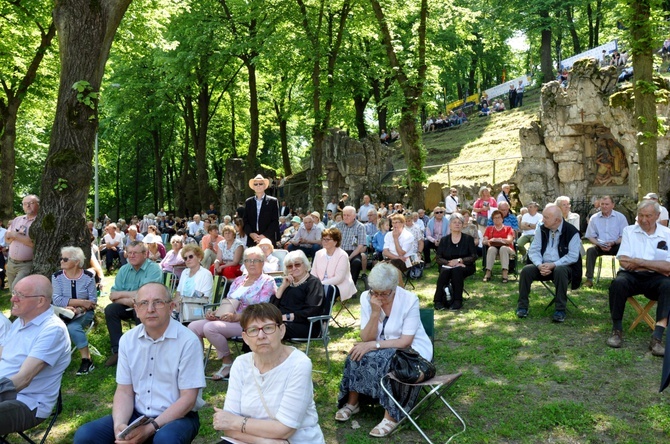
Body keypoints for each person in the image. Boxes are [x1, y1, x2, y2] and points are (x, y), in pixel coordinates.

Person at [74, 283, 205, 444]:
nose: (150, 309)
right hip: (138, 416)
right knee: (85, 435)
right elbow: (124, 391)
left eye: (158, 302)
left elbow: (188, 399)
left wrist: (151, 428)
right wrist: (120, 425)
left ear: (171, 307)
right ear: (136, 309)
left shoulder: (188, 341)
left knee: (166, 439)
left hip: (179, 416)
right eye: (143, 303)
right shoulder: (128, 340)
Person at [335, 263, 432, 437]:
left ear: (394, 288)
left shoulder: (409, 300)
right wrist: (374, 312)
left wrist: (374, 345)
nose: (379, 297)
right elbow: (367, 338)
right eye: (375, 292)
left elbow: (405, 341)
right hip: (381, 347)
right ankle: (352, 403)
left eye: (384, 293)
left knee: (387, 360)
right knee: (356, 353)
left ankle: (391, 416)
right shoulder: (367, 297)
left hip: (412, 352)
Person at [213, 303, 325, 443]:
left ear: (282, 330)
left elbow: (285, 430)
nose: (261, 336)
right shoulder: (241, 363)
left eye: (268, 328)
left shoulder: (299, 364)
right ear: (245, 337)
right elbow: (227, 427)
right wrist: (266, 442)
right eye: (253, 330)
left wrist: (235, 422)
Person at [189, 247, 276, 381]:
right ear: (244, 263)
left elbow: (262, 308)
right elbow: (228, 303)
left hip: (250, 322)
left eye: (256, 260)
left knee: (210, 328)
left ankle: (227, 362)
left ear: (263, 262)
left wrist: (237, 317)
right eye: (248, 260)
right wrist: (215, 313)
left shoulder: (267, 281)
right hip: (227, 319)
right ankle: (197, 362)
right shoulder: (238, 281)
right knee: (193, 327)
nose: (251, 263)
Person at [0, 275, 70, 437]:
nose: (13, 299)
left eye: (21, 295)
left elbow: (23, 379)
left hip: (26, 401)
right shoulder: (20, 321)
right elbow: (5, 353)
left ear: (40, 301)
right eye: (14, 292)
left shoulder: (52, 330)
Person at [606, 200, 670, 356]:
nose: (643, 219)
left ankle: (657, 337)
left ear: (657, 216)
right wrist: (654, 264)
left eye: (648, 216)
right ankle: (616, 330)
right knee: (618, 283)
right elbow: (624, 261)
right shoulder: (629, 231)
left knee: (668, 286)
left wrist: (639, 262)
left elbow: (668, 267)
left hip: (657, 278)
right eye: (640, 215)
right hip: (631, 275)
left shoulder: (667, 234)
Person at [517, 204, 582, 322]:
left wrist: (554, 264)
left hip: (563, 267)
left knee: (560, 270)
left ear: (557, 220)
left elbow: (573, 256)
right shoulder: (541, 228)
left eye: (546, 217)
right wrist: (539, 264)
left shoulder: (572, 232)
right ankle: (522, 307)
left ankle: (560, 310)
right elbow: (534, 250)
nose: (542, 220)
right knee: (526, 270)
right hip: (542, 265)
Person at [103, 241, 163, 367]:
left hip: (152, 307)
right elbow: (113, 295)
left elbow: (145, 295)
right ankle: (118, 350)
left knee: (140, 309)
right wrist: (130, 301)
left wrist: (126, 296)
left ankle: (143, 350)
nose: (131, 256)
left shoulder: (154, 269)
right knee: (110, 309)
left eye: (135, 253)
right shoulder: (124, 269)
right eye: (129, 253)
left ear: (145, 254)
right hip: (130, 305)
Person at [52, 246, 97, 375]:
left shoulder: (88, 277)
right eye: (61, 258)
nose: (61, 261)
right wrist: (82, 302)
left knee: (73, 327)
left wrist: (79, 308)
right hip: (62, 312)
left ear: (77, 262)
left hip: (85, 313)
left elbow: (93, 301)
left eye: (65, 259)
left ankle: (87, 360)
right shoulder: (57, 276)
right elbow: (56, 299)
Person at [272, 250, 325, 338]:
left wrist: (286, 317)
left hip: (306, 325)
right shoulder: (288, 283)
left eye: (297, 264)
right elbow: (272, 307)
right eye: (289, 266)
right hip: (282, 322)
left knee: (269, 330)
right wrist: (282, 287)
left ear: (305, 265)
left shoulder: (313, 283)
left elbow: (312, 311)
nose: (293, 268)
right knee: (255, 327)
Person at [433, 214, 477, 310]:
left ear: (462, 225)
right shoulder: (444, 240)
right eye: (454, 222)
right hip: (447, 265)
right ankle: (438, 301)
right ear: (450, 225)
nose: (457, 224)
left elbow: (473, 256)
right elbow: (438, 258)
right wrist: (449, 263)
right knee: (445, 272)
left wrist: (459, 261)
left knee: (457, 271)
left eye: (459, 222)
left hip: (465, 265)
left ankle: (457, 301)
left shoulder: (468, 239)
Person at [583, 196, 629, 287]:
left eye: (607, 204)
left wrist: (614, 242)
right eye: (602, 204)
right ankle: (589, 279)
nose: (604, 206)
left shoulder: (620, 217)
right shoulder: (594, 218)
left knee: (626, 251)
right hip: (600, 245)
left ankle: (624, 278)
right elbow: (590, 236)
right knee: (590, 251)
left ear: (613, 205)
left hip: (616, 245)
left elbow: (625, 236)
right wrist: (598, 244)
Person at [311, 228, 357, 304]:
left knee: (327, 291)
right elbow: (313, 273)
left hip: (339, 285)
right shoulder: (318, 253)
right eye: (323, 239)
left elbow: (339, 278)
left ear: (335, 242)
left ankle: (324, 314)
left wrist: (321, 284)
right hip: (319, 284)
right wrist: (314, 284)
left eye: (328, 239)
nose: (325, 241)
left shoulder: (342, 255)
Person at [4, 195, 39, 292]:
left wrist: (15, 235)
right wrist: (14, 236)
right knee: (12, 291)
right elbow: (7, 239)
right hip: (11, 262)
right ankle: (14, 308)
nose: (27, 206)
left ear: (38, 205)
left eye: (31, 203)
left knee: (17, 290)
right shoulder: (17, 220)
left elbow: (34, 244)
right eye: (25, 204)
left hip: (26, 264)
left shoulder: (40, 222)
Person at [243, 174, 280, 247]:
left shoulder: (273, 201)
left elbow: (275, 221)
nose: (258, 185)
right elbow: (245, 221)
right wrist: (251, 234)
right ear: (253, 187)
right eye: (256, 184)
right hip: (252, 239)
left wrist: (264, 236)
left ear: (264, 186)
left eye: (260, 183)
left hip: (268, 239)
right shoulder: (248, 202)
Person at [175, 244, 213, 309]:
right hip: (181, 309)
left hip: (199, 310)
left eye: (191, 256)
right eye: (185, 258)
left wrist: (183, 303)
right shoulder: (184, 272)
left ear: (199, 258)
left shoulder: (206, 274)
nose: (188, 260)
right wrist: (176, 305)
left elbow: (204, 299)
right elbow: (178, 294)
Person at [336, 206, 367, 285]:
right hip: (340, 251)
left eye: (348, 215)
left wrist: (349, 258)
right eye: (344, 215)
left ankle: (351, 285)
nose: (345, 217)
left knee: (356, 262)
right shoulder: (338, 226)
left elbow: (360, 246)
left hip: (354, 252)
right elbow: (334, 242)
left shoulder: (360, 227)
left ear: (354, 216)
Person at [482, 210, 516, 283]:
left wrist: (500, 240)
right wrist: (490, 241)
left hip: (507, 249)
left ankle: (505, 272)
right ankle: (488, 272)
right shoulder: (489, 229)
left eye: (499, 217)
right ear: (493, 219)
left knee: (503, 248)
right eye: (495, 218)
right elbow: (484, 241)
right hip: (494, 248)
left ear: (502, 219)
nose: (497, 219)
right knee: (491, 249)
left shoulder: (508, 228)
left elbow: (509, 240)